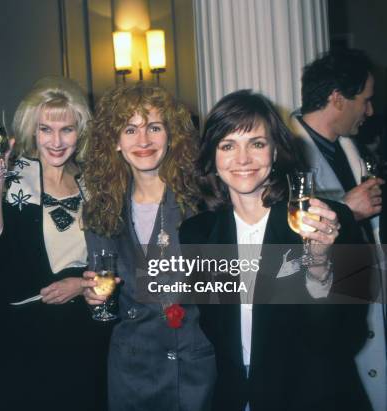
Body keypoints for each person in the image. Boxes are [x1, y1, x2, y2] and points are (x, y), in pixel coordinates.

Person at [180, 90, 371, 411]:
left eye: (256, 143)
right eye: (228, 145)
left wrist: (319, 263)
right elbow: (217, 334)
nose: (243, 159)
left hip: (315, 399)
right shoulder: (198, 234)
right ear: (213, 156)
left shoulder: (330, 221)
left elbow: (345, 338)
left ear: (275, 151)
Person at [0, 76, 109, 411]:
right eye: (46, 129)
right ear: (32, 131)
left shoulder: (91, 183)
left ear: (81, 132)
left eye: (67, 129)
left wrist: (81, 283)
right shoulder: (9, 174)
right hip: (22, 336)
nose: (57, 140)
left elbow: (110, 259)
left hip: (81, 336)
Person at [81, 83, 216, 411]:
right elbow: (105, 303)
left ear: (171, 136)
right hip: (132, 374)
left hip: (196, 371)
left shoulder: (203, 201)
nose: (143, 141)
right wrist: (94, 297)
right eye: (130, 129)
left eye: (154, 127)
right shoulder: (100, 209)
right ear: (114, 141)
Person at [291, 48, 386, 410]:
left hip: (364, 312)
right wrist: (347, 209)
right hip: (321, 326)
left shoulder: (352, 149)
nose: (370, 111)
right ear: (337, 99)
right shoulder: (283, 153)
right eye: (365, 100)